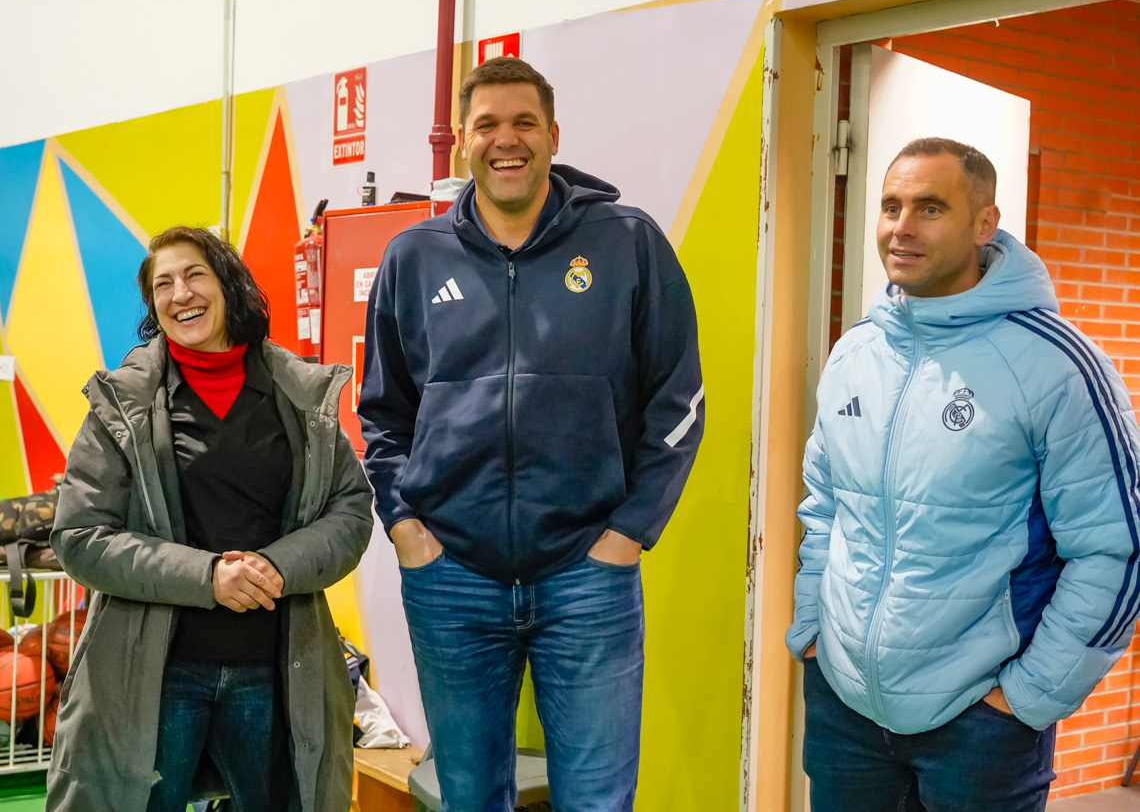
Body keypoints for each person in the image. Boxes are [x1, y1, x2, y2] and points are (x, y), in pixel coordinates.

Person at [357, 56, 704, 811]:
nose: (506, 140)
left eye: (524, 122)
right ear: (463, 142)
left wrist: (628, 534)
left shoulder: (627, 242)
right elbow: (382, 414)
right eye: (487, 124)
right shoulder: (413, 258)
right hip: (452, 578)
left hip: (588, 574)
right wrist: (408, 530)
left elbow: (678, 402)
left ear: (553, 135)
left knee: (597, 798)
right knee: (469, 796)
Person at [787, 137, 1140, 811]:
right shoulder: (856, 352)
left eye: (930, 208)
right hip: (844, 708)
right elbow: (825, 505)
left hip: (980, 724)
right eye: (891, 206)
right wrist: (812, 631)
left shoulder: (1056, 364)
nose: (901, 227)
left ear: (984, 224)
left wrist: (1028, 695)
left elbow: (1114, 550)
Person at [47, 226, 373, 812]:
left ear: (228, 285)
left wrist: (278, 566)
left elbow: (349, 510)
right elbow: (80, 535)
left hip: (276, 670)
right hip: (155, 676)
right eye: (163, 284)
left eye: (195, 274)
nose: (181, 294)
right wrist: (208, 577)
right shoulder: (122, 406)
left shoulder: (300, 396)